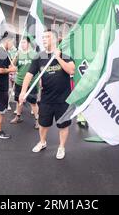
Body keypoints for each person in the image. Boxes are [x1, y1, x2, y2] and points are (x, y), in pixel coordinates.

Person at [19, 29, 75, 160]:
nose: (44, 39)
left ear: (54, 39)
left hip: (63, 99)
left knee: (63, 125)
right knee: (43, 124)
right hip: (46, 98)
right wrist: (23, 91)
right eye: (43, 37)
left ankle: (61, 147)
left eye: (47, 37)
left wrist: (58, 57)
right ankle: (42, 142)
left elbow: (71, 70)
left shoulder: (64, 55)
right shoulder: (39, 57)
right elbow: (29, 75)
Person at [10, 37, 39, 129]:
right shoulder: (18, 54)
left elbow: (39, 68)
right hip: (19, 81)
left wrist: (40, 81)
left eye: (24, 43)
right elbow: (13, 66)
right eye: (21, 43)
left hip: (31, 83)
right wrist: (16, 56)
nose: (22, 44)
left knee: (33, 103)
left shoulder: (34, 54)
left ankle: (38, 120)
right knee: (19, 100)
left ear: (28, 44)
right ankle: (18, 117)